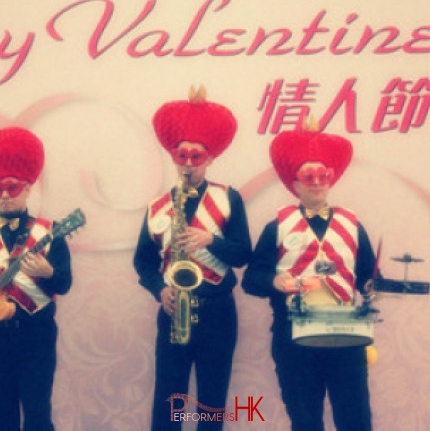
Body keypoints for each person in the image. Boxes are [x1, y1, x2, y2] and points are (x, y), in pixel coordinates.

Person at [242, 120, 377, 431]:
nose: (316, 182)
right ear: (296, 183)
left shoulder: (353, 225)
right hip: (294, 335)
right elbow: (251, 279)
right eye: (308, 176)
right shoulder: (276, 226)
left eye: (323, 176)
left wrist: (372, 285)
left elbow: (368, 276)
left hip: (344, 332)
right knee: (304, 420)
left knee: (355, 418)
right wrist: (274, 282)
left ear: (331, 180)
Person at [133, 86, 251, 430]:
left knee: (212, 403)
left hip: (218, 310)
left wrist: (210, 239)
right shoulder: (157, 207)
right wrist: (160, 290)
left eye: (196, 157)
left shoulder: (229, 199)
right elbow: (142, 261)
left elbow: (243, 254)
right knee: (169, 402)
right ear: (173, 157)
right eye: (181, 156)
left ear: (209, 158)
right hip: (174, 309)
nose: (187, 163)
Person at [0, 127, 72, 431]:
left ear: (28, 188)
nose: (4, 195)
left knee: (38, 414)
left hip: (36, 338)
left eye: (12, 188)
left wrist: (48, 273)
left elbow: (65, 283)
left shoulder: (50, 231)